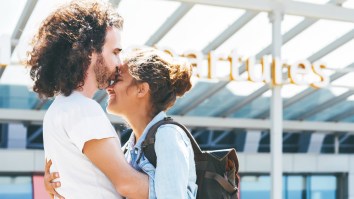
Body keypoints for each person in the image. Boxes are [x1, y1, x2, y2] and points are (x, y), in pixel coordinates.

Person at [27, 1, 148, 198]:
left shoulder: (60, 108)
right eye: (115, 52)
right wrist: (185, 185)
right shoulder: (83, 109)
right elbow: (128, 184)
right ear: (90, 52)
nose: (120, 63)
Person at [45, 48, 198, 198]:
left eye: (117, 80)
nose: (108, 87)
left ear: (141, 89)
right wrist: (60, 181)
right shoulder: (129, 149)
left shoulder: (168, 135)